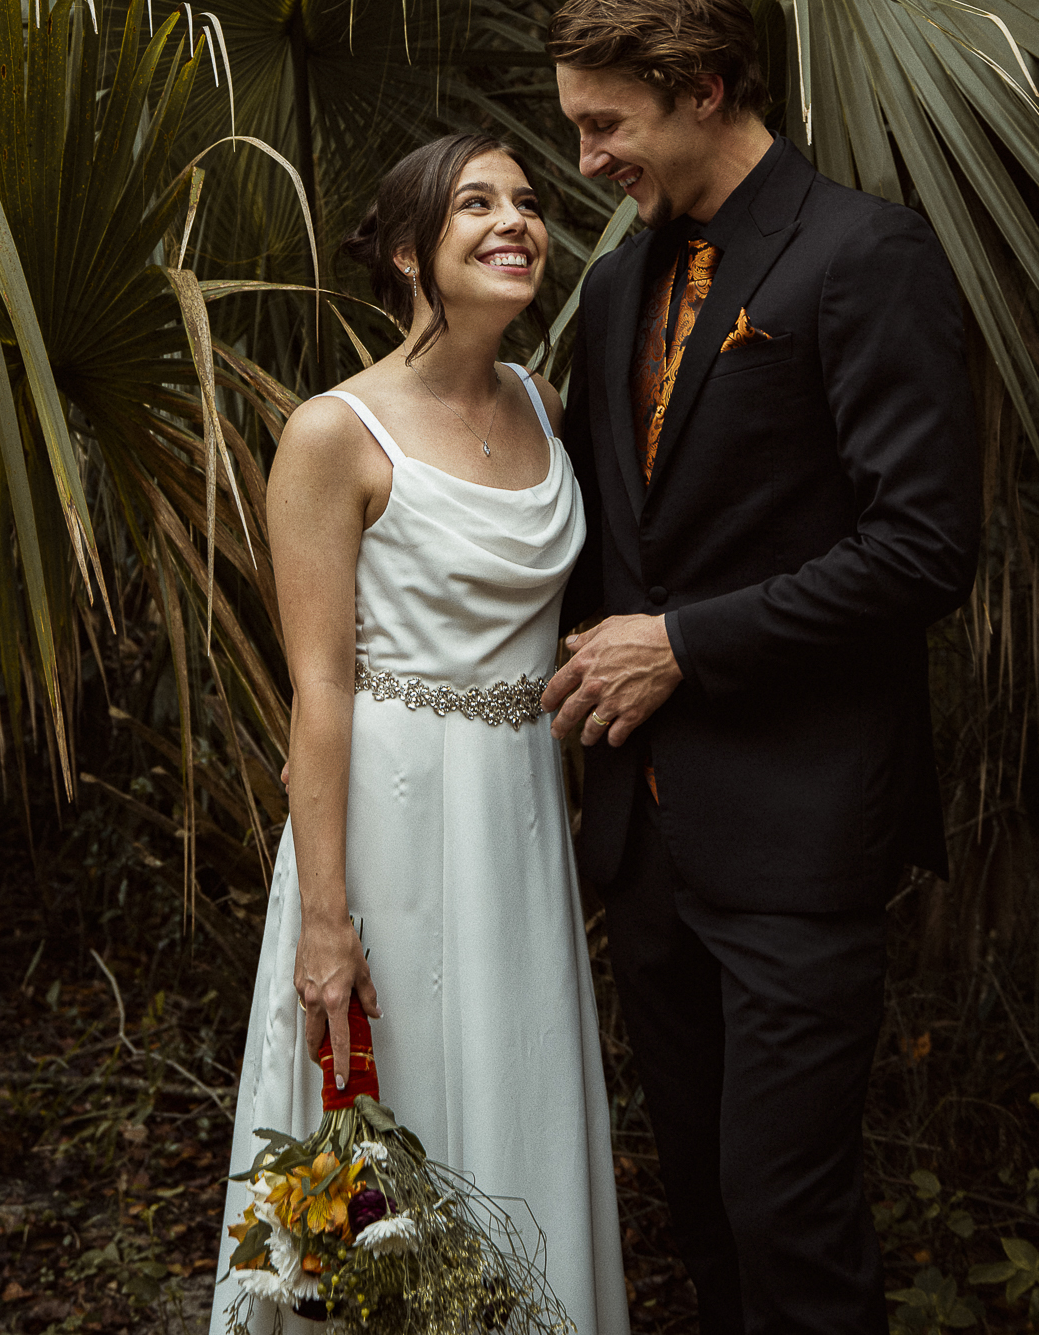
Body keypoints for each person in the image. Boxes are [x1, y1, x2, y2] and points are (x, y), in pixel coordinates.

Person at [540, 0, 980, 1335]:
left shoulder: (864, 254)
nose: (586, 158)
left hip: (799, 831)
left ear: (703, 90)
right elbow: (600, 538)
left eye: (605, 125)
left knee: (787, 1213)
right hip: (643, 842)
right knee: (705, 1214)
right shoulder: (613, 295)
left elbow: (922, 546)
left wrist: (685, 642)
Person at [209, 133, 630, 1335]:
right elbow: (320, 690)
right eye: (476, 205)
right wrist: (327, 920)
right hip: (386, 828)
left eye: (529, 203)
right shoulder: (333, 435)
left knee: (518, 1094)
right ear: (406, 253)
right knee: (383, 1146)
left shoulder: (544, 411)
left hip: (514, 822)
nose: (516, 222)